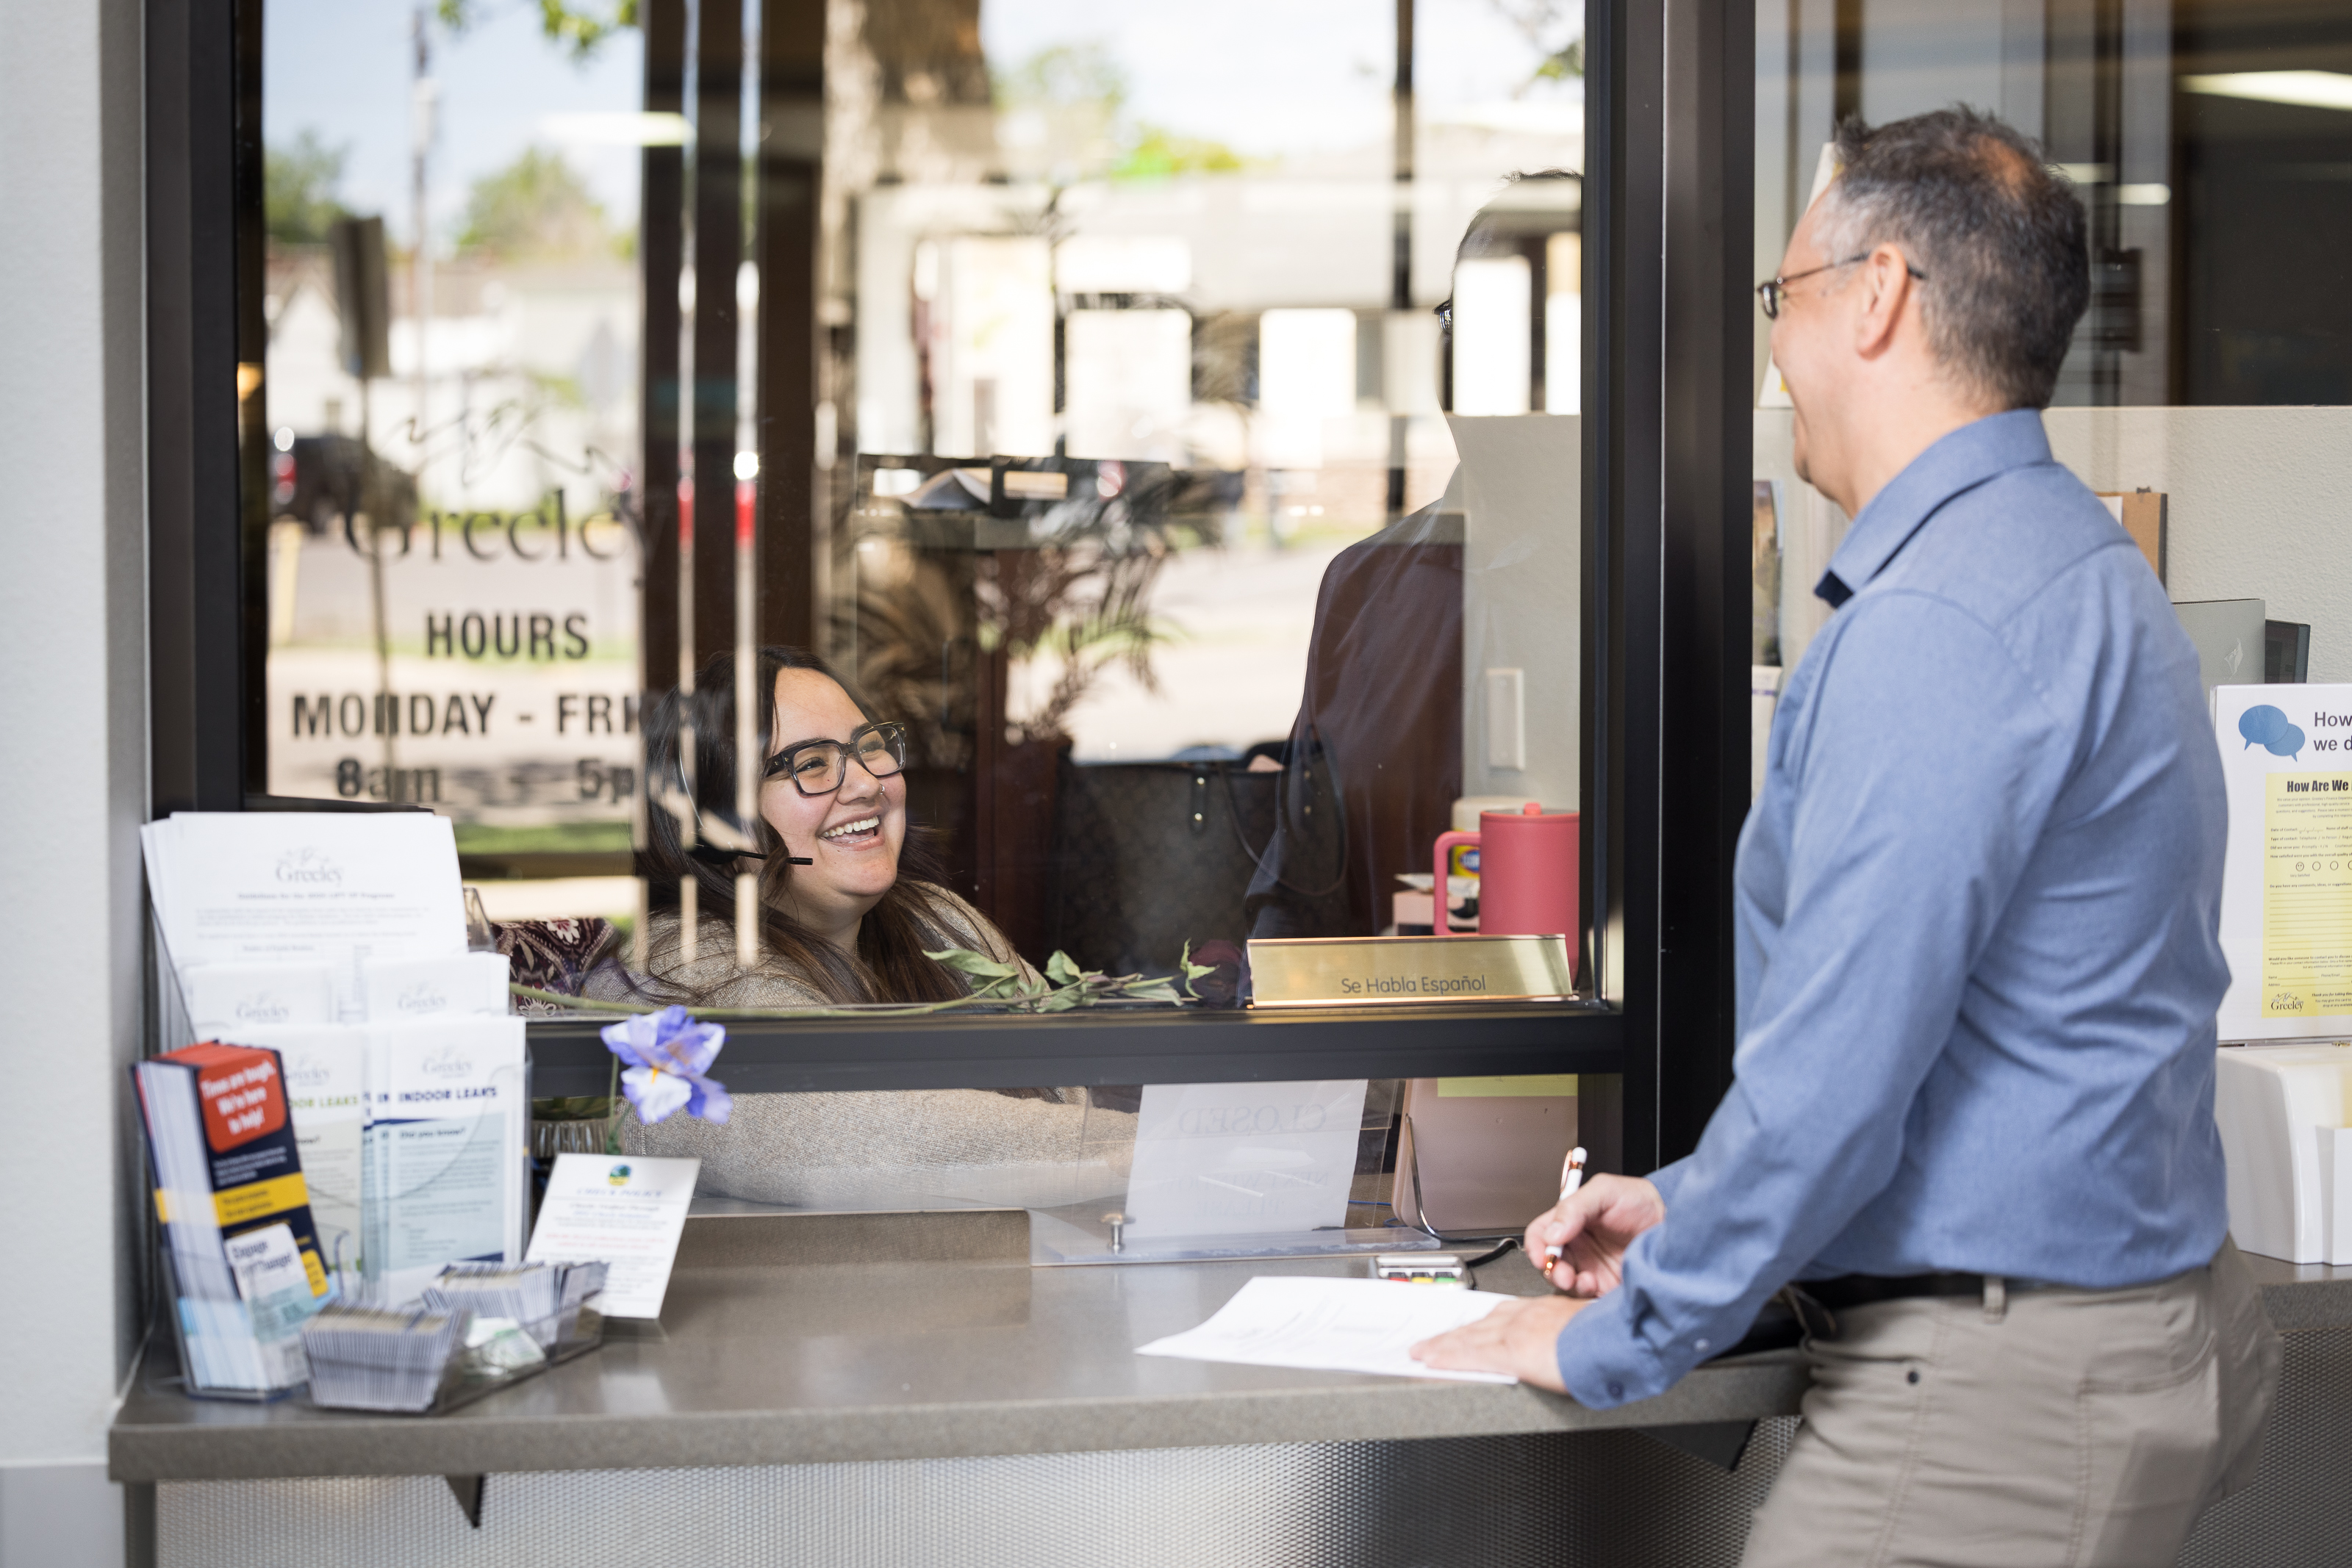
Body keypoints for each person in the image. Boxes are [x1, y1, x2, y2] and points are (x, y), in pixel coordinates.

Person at [1412, 108, 2279, 1564]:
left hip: (1993, 1396)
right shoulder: (2065, 558)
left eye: (1782, 297)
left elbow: (1837, 1078)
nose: (1772, 347)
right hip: (2103, 1331)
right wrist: (1686, 1203)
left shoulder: (1939, 621)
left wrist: (1623, 1332)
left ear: (1875, 299)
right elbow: (1980, 1049)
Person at [587, 646, 1130, 1205]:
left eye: (871, 748)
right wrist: (1162, 1151)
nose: (868, 783)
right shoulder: (668, 972)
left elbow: (1070, 1092)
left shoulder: (938, 920)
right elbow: (860, 1136)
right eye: (812, 764)